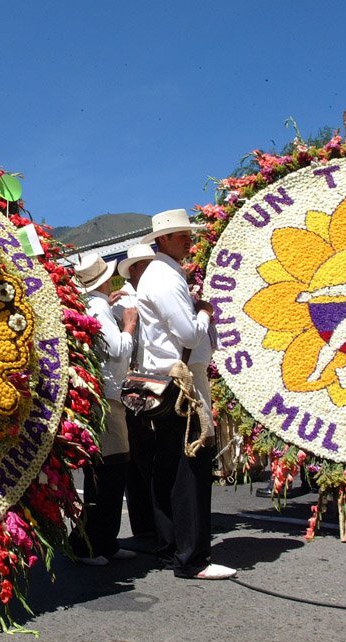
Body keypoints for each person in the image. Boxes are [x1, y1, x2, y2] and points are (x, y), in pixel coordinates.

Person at [135, 208, 235, 580]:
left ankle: (171, 547)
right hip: (182, 380)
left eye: (186, 234)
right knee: (190, 465)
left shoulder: (160, 274)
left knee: (169, 465)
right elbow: (190, 335)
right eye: (179, 236)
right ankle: (191, 556)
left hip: (170, 377)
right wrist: (205, 312)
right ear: (162, 240)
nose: (187, 240)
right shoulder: (164, 278)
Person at [69, 253, 139, 566]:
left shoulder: (94, 305)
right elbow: (116, 349)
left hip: (104, 395)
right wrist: (129, 325)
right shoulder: (98, 308)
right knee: (110, 470)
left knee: (110, 470)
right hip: (109, 397)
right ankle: (88, 544)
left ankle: (101, 540)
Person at [112, 242, 157, 538]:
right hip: (138, 384)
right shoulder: (127, 301)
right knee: (144, 456)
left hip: (141, 383)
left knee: (142, 456)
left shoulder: (130, 298)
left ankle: (147, 524)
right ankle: (149, 524)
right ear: (137, 269)